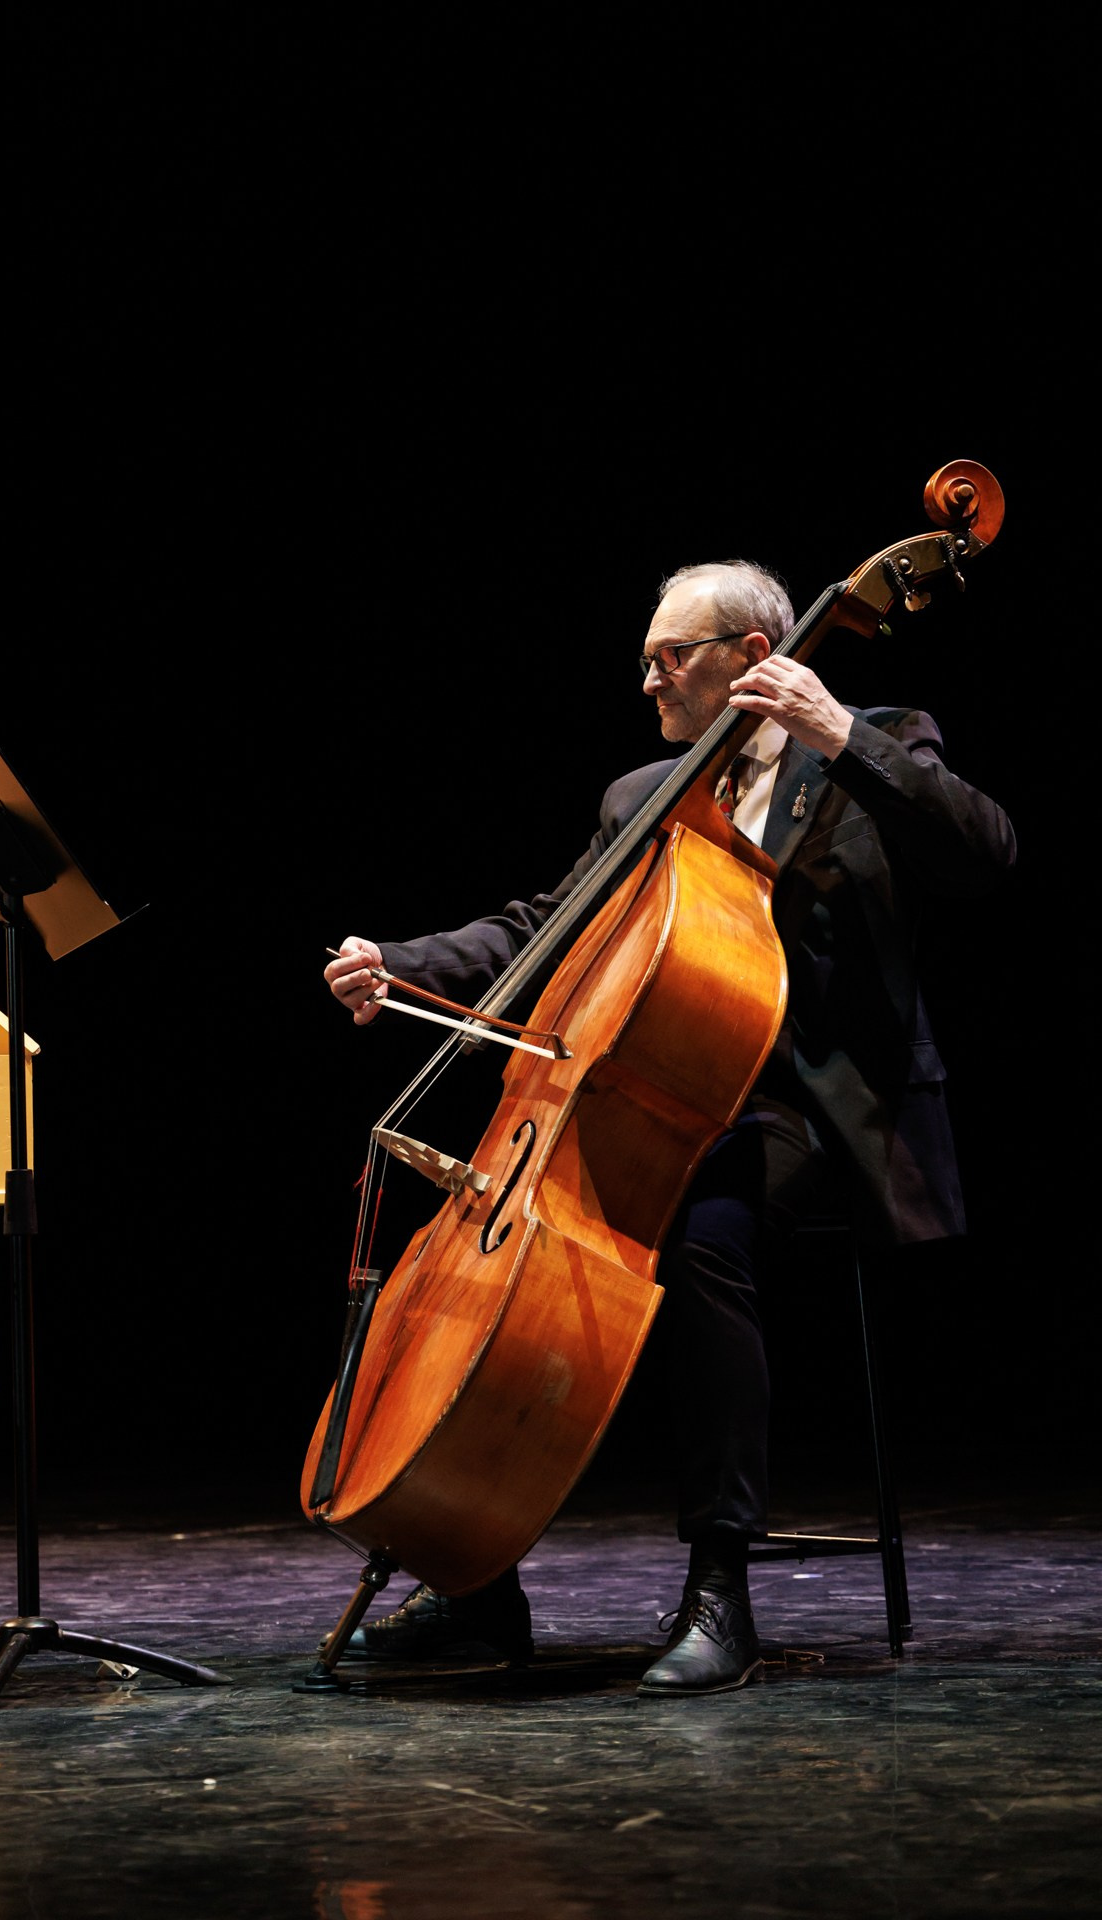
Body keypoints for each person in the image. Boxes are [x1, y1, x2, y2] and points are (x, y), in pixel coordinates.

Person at [322, 558, 1016, 1697]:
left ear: (752, 658)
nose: (647, 681)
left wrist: (840, 731)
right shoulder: (640, 793)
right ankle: (474, 1584)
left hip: (816, 1111)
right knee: (525, 1250)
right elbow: (542, 926)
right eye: (645, 660)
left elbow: (985, 853)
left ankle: (719, 1589)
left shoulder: (868, 742)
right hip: (673, 1098)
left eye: (668, 658)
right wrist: (401, 964)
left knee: (698, 1232)